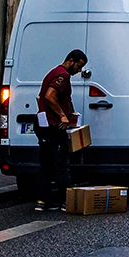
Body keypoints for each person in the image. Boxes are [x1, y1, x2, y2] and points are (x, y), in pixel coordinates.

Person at [36, 47, 85, 212]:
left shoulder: (53, 72)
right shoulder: (63, 75)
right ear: (70, 61)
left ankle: (43, 201)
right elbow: (50, 96)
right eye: (78, 67)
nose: (79, 71)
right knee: (61, 163)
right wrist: (63, 116)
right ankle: (66, 201)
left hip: (44, 124)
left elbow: (41, 97)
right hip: (54, 125)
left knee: (46, 163)